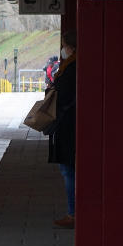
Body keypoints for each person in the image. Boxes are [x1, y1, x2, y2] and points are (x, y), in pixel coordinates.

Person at [49, 34, 76, 228]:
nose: (63, 49)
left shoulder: (72, 68)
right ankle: (73, 211)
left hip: (69, 126)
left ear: (71, 47)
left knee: (68, 171)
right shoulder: (71, 66)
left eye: (65, 45)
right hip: (70, 125)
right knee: (69, 170)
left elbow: (63, 95)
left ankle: (73, 213)